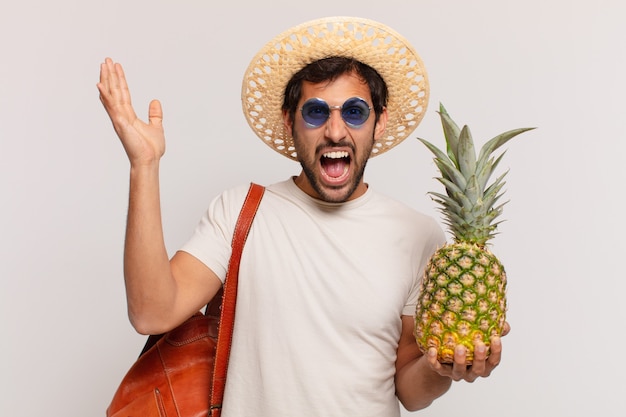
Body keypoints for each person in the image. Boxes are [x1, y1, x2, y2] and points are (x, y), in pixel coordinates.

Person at [98, 16, 508, 417]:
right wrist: (144, 165)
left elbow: (411, 391)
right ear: (288, 121)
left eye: (354, 111)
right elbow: (152, 312)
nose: (334, 131)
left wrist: (441, 369)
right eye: (315, 112)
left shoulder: (419, 235)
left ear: (379, 122)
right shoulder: (240, 211)